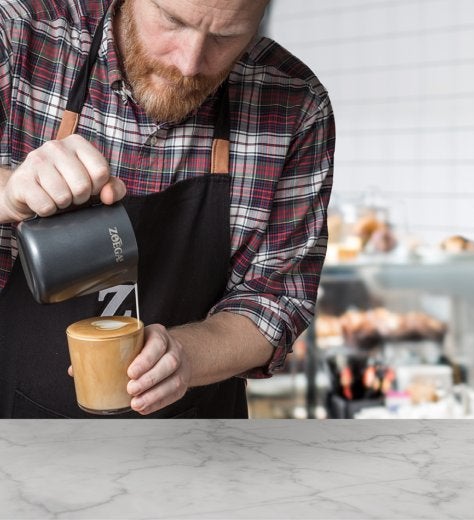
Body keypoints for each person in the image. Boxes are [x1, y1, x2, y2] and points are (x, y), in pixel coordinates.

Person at [0, 0, 335, 418]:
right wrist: (9, 191)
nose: (190, 63)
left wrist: (185, 356)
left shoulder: (295, 103)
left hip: (196, 442)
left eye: (225, 37)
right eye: (173, 22)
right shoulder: (19, 35)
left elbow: (277, 301)